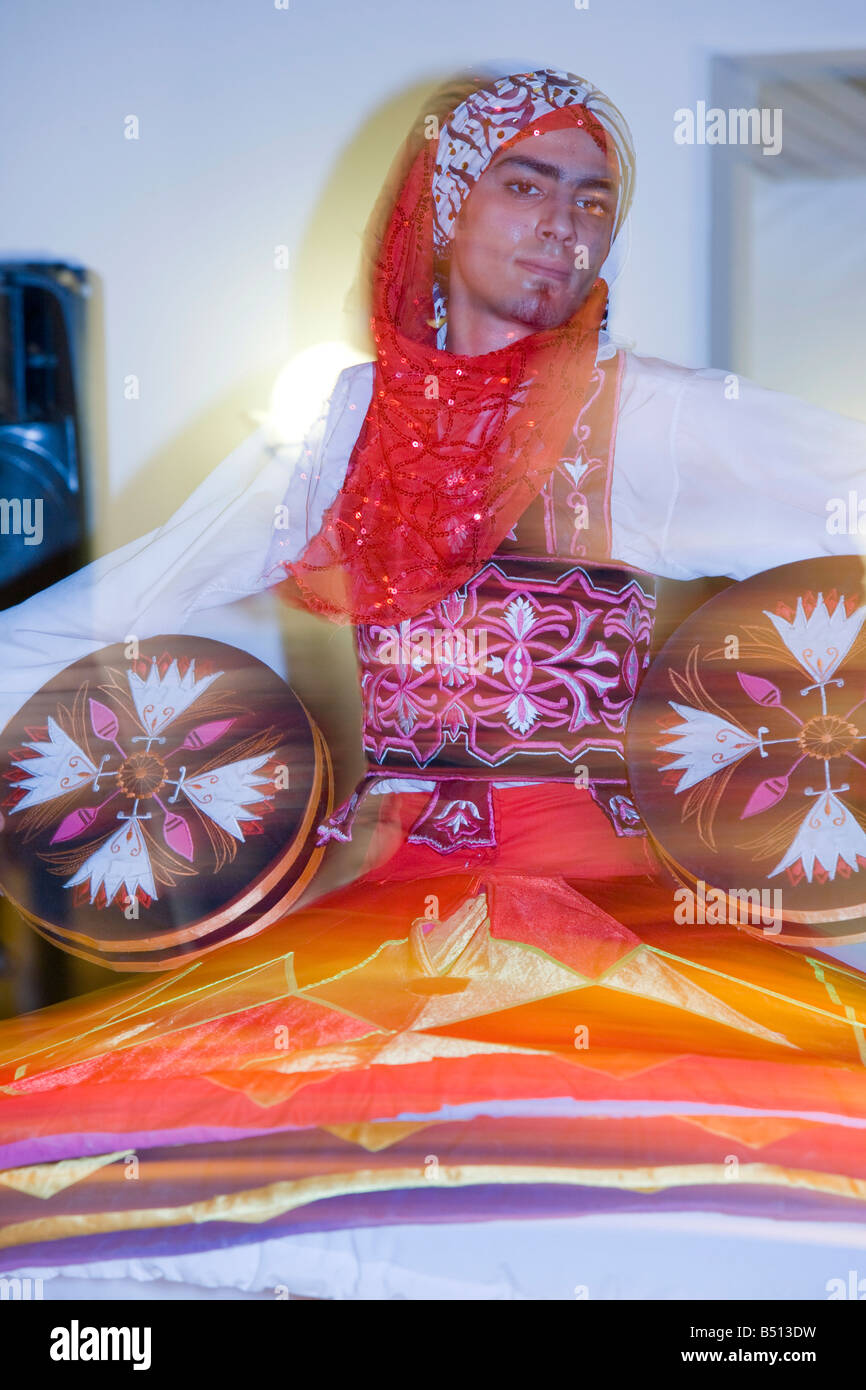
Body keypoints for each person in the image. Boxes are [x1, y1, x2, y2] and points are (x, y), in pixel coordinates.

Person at [0, 67, 865, 1300]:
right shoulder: (338, 431)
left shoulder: (652, 420)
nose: (563, 224)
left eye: (591, 199)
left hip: (613, 935)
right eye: (524, 185)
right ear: (440, 207)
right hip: (367, 924)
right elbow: (108, 611)